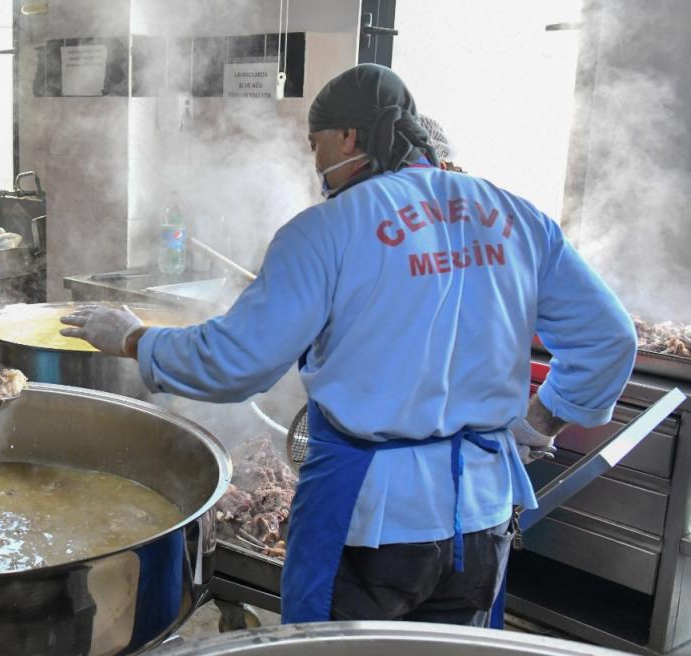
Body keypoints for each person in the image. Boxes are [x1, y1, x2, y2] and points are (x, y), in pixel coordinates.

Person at [61, 64, 637, 626]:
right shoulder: (517, 216)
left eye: (316, 144)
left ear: (349, 136)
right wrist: (541, 423)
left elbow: (235, 363)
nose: (316, 163)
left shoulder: (325, 229)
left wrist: (134, 338)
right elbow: (609, 339)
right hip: (482, 518)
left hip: (366, 520)